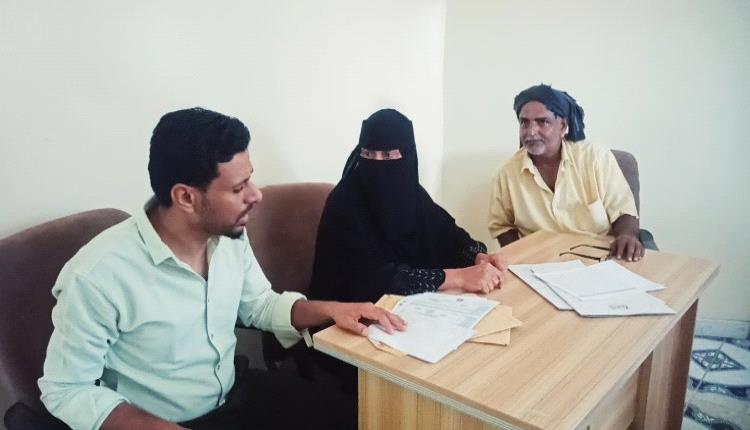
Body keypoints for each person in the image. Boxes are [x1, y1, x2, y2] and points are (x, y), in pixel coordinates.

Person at [37, 107, 405, 430]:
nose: (256, 195)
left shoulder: (228, 236)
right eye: (239, 187)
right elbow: (67, 389)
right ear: (186, 197)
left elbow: (259, 305)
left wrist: (333, 310)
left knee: (359, 418)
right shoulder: (97, 275)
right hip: (158, 420)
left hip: (233, 397)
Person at [309, 109, 508, 307]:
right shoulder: (343, 203)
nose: (377, 164)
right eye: (368, 153)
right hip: (349, 318)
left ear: (408, 156)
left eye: (388, 155)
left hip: (410, 310)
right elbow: (373, 280)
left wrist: (478, 257)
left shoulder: (411, 194)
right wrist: (460, 277)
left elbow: (449, 236)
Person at [488, 84, 644, 261]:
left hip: (598, 259)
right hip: (541, 263)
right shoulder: (507, 173)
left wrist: (627, 235)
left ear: (563, 126)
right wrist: (520, 258)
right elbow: (502, 226)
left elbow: (623, 211)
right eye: (524, 122)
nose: (531, 132)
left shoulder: (595, 157)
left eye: (542, 122)